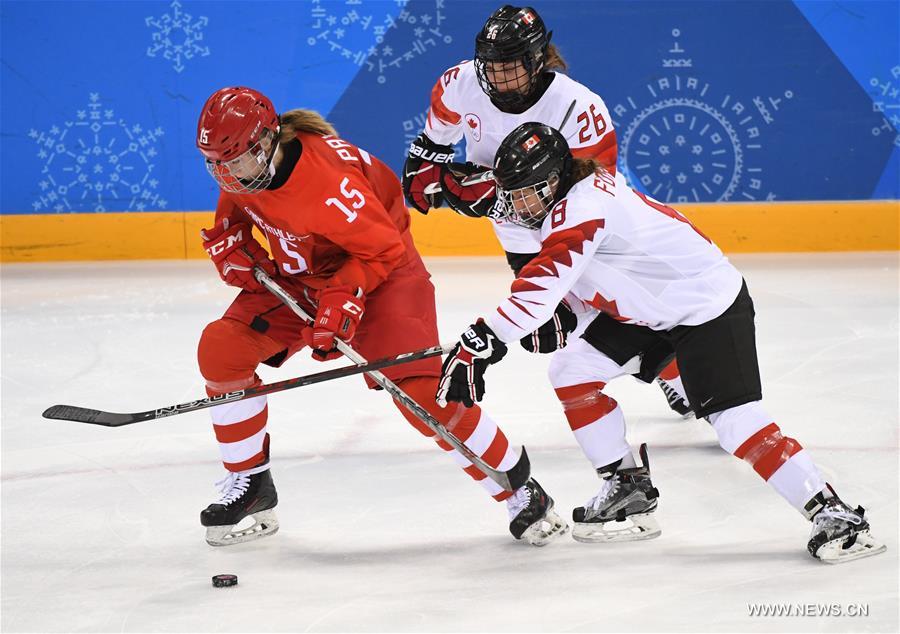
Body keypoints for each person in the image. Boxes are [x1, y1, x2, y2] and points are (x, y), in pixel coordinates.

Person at [436, 121, 886, 563]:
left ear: (553, 180)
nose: (515, 205)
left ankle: (833, 513)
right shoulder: (568, 204)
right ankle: (627, 488)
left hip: (707, 309)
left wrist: (481, 342)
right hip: (654, 312)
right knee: (572, 370)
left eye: (523, 192)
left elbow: (540, 285)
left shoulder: (583, 207)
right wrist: (568, 319)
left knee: (734, 421)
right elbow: (595, 281)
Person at [192, 86, 568, 547]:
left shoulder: (328, 184)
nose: (228, 175)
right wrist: (231, 243)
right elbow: (237, 207)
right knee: (221, 349)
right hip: (304, 275)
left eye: (237, 162)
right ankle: (250, 485)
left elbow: (384, 248)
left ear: (268, 141)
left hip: (384, 274)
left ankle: (518, 487)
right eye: (218, 164)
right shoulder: (244, 164)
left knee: (424, 397)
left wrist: (342, 298)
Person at [402, 4, 693, 421]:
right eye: (490, 65)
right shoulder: (459, 83)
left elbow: (597, 196)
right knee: (556, 322)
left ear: (538, 59)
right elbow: (435, 138)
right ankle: (661, 364)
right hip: (517, 235)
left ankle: (675, 370)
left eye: (510, 66)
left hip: (577, 233)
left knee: (610, 307)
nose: (498, 77)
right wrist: (426, 165)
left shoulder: (578, 108)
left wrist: (494, 196)